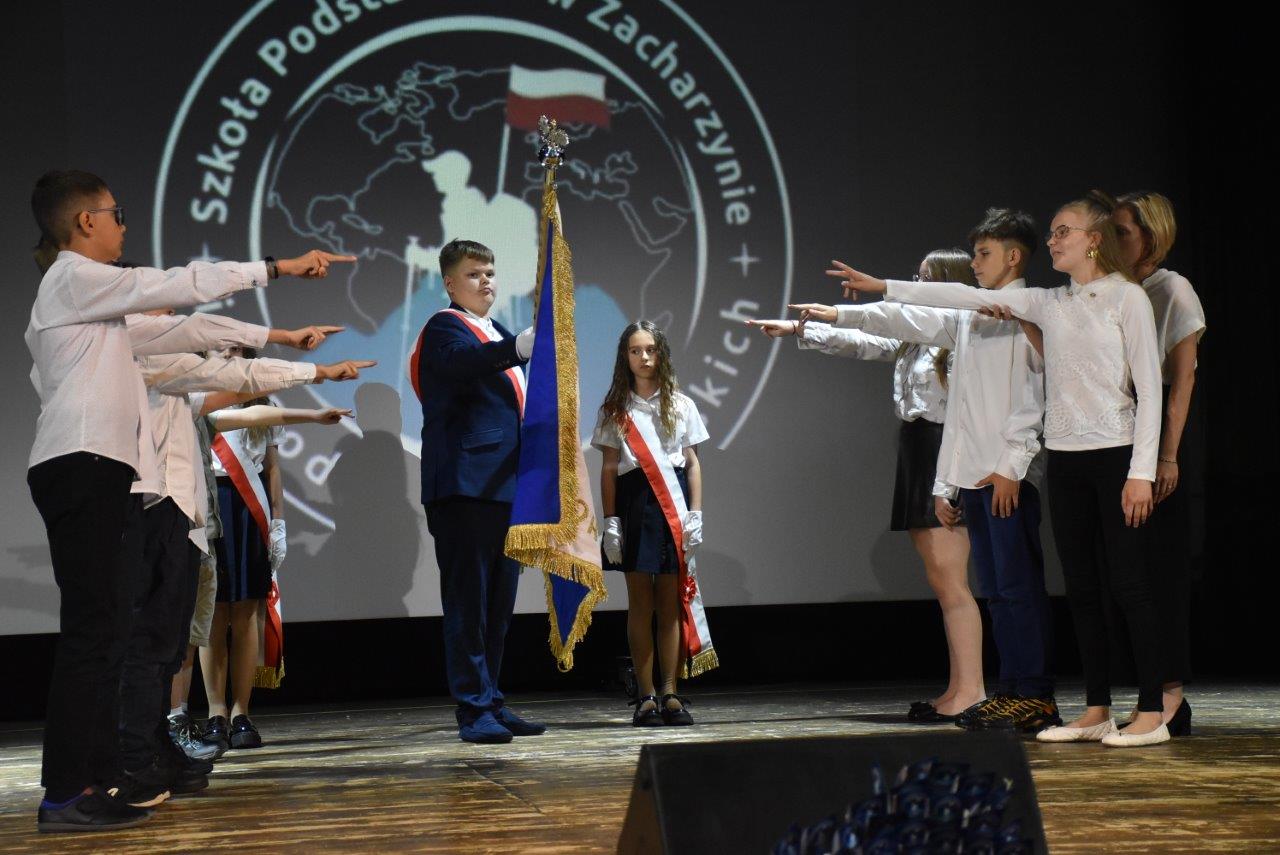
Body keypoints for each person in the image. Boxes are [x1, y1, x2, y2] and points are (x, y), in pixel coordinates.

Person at [26, 169, 351, 832]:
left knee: (108, 636)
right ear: (85, 222)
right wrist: (276, 268)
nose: (123, 225)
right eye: (116, 213)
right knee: (94, 637)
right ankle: (65, 792)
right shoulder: (72, 278)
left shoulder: (105, 318)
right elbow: (180, 284)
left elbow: (192, 335)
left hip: (101, 471)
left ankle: (99, 778)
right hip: (82, 465)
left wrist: (288, 347)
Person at [830, 191, 1171, 747]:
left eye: (1063, 231)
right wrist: (881, 286)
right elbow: (958, 294)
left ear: (1094, 239)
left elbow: (1150, 389)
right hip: (1066, 458)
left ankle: (1153, 711)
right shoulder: (1050, 302)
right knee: (1082, 589)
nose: (1053, 240)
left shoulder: (1126, 297)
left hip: (1116, 452)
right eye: (1052, 232)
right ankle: (1096, 710)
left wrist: (1143, 471)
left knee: (1129, 585)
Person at [793, 209, 1055, 733]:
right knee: (998, 591)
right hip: (971, 474)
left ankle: (1035, 694)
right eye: (974, 254)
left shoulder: (1032, 307)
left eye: (983, 254)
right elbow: (912, 336)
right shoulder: (968, 321)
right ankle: (1011, 691)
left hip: (1006, 474)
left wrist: (1011, 468)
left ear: (1013, 257)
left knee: (1018, 587)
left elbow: (1033, 400)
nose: (975, 263)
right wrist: (944, 483)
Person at [749, 250, 980, 723]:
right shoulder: (914, 340)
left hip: (944, 449)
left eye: (926, 279)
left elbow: (880, 321)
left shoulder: (959, 333)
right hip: (918, 447)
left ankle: (973, 690)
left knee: (952, 579)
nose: (916, 285)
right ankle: (958, 687)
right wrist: (797, 329)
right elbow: (863, 341)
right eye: (915, 277)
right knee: (940, 580)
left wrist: (951, 482)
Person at [411, 238, 543, 744]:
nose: (485, 281)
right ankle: (472, 708)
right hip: (465, 486)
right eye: (473, 274)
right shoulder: (445, 327)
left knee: (498, 605)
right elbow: (465, 364)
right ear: (450, 283)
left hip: (505, 485)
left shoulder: (499, 331)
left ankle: (492, 699)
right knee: (469, 602)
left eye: (489, 272)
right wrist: (518, 349)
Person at [1116, 192, 1204, 730]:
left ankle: (1172, 696)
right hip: (1121, 432)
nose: (1112, 240)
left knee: (1161, 570)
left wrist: (1167, 456)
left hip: (1160, 440)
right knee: (1130, 573)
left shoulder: (1172, 289)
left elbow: (1182, 379)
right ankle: (1149, 691)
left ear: (1150, 236)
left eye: (1122, 231)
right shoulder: (1119, 290)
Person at [592, 320, 708, 727]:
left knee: (669, 603)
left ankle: (670, 693)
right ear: (624, 357)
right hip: (634, 503)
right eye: (635, 350)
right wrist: (611, 520)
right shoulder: (614, 409)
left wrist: (695, 513)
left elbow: (692, 463)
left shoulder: (682, 404)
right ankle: (645, 697)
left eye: (651, 350)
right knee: (640, 603)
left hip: (672, 506)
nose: (644, 357)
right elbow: (609, 469)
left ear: (662, 355)